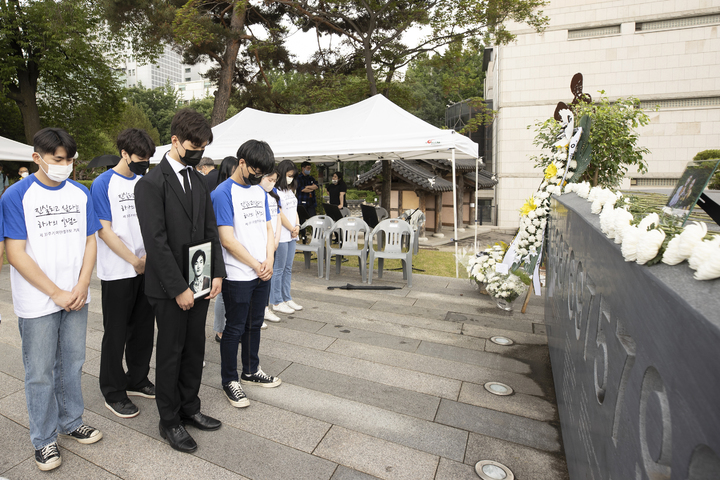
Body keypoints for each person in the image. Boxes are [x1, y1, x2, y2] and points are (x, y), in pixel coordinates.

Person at [2, 127, 103, 471]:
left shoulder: (79, 193)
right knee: (40, 370)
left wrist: (82, 283)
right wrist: (55, 292)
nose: (66, 165)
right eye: (58, 159)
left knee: (72, 362)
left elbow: (91, 240)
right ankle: (44, 439)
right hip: (39, 300)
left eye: (70, 159)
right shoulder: (17, 196)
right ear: (37, 158)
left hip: (76, 295)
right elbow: (15, 253)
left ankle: (71, 421)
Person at [134, 108, 226, 454]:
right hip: (168, 287)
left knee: (194, 348)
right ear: (174, 141)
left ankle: (190, 407)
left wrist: (217, 272)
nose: (198, 152)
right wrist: (179, 289)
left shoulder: (200, 180)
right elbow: (155, 242)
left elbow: (209, 229)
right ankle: (168, 419)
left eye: (203, 146)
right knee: (171, 351)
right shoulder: (151, 184)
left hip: (200, 278)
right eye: (193, 145)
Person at [91, 128, 156, 420]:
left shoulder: (144, 181)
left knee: (143, 328)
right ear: (124, 154)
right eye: (140, 158)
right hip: (118, 270)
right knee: (116, 332)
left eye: (148, 158)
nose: (145, 162)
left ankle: (137, 379)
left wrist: (147, 260)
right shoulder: (103, 183)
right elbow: (104, 230)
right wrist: (134, 260)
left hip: (146, 267)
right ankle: (113, 391)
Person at [212, 139, 281, 410]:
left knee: (255, 323)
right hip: (238, 273)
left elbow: (267, 229)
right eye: (255, 171)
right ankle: (229, 379)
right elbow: (227, 239)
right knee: (234, 328)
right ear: (241, 163)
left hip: (261, 270)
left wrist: (269, 259)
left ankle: (251, 370)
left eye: (262, 174)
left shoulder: (260, 192)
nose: (258, 177)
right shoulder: (222, 193)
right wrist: (255, 264)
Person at [270, 160, 303, 316]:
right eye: (289, 175)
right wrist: (291, 228)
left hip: (292, 234)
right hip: (282, 235)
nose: (291, 178)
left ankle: (286, 297)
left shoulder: (291, 190)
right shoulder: (275, 191)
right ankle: (276, 301)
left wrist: (297, 226)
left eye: (292, 175)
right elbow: (279, 214)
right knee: (278, 269)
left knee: (288, 268)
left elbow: (295, 210)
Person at [212, 156, 239, 343]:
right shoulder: (220, 192)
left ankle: (229, 326)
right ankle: (220, 329)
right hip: (222, 247)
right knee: (222, 293)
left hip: (236, 247)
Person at [260, 169, 283, 323]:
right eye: (270, 179)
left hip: (272, 240)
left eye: (275, 180)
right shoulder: (255, 192)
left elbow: (278, 216)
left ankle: (265, 309)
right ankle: (259, 311)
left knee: (268, 276)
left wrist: (276, 239)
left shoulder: (274, 193)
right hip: (261, 241)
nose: (272, 183)